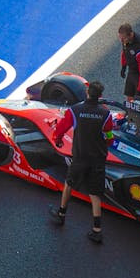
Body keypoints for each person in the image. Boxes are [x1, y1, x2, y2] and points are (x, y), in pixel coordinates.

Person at [48, 81, 114, 243]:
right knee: (95, 193)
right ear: (100, 96)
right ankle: (97, 230)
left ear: (87, 93)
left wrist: (58, 139)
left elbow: (60, 129)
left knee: (69, 184)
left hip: (80, 156)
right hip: (98, 158)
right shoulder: (105, 114)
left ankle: (61, 214)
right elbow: (110, 138)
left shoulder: (75, 110)